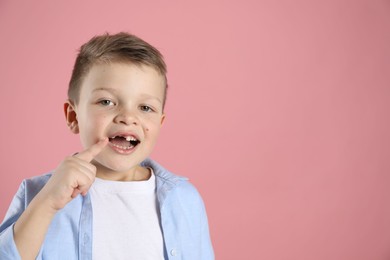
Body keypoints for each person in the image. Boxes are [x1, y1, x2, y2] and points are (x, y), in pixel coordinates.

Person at [0, 32, 214, 260]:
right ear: (73, 116)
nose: (127, 117)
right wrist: (46, 204)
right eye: (107, 102)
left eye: (145, 108)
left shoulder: (184, 199)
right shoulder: (39, 195)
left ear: (160, 123)